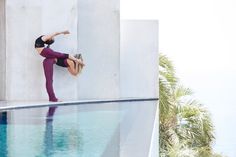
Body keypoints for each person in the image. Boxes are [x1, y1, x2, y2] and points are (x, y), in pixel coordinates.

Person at [35, 30, 84, 102]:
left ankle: (52, 98)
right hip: (49, 59)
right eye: (52, 38)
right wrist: (63, 32)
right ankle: (52, 98)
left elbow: (74, 73)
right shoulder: (43, 39)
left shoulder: (43, 41)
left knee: (49, 80)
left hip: (49, 60)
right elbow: (54, 34)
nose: (52, 36)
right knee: (49, 80)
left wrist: (63, 32)